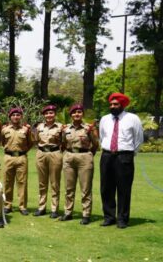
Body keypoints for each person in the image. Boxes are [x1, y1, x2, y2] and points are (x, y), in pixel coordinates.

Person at [99, 92, 144, 229]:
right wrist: (108, 150)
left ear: (122, 105)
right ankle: (109, 217)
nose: (112, 106)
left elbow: (138, 139)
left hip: (124, 156)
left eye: (116, 104)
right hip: (107, 156)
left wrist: (129, 153)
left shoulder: (133, 118)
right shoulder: (105, 119)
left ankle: (122, 219)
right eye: (111, 104)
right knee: (106, 188)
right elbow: (102, 137)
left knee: (124, 189)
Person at [61, 104, 99, 225]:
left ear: (82, 114)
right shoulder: (66, 128)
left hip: (84, 157)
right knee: (69, 188)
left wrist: (88, 155)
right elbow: (62, 143)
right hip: (69, 157)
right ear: (71, 115)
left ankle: (86, 214)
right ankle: (68, 212)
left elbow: (95, 144)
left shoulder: (89, 128)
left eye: (79, 112)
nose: (77, 114)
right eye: (74, 112)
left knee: (85, 188)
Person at [1, 107, 33, 215]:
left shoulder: (26, 129)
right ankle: (7, 205)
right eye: (13, 115)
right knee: (7, 182)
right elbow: (2, 142)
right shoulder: (4, 129)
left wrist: (22, 152)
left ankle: (22, 206)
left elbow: (30, 143)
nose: (16, 117)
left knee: (22, 182)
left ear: (21, 117)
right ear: (10, 117)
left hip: (21, 157)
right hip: (8, 157)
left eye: (18, 115)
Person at [34, 105, 64, 218]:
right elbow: (36, 140)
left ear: (55, 114)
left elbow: (64, 141)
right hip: (41, 153)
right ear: (44, 115)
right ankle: (41, 207)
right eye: (46, 113)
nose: (49, 115)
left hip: (55, 153)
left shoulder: (61, 127)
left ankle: (54, 209)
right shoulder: (39, 127)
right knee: (42, 182)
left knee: (54, 182)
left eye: (51, 113)